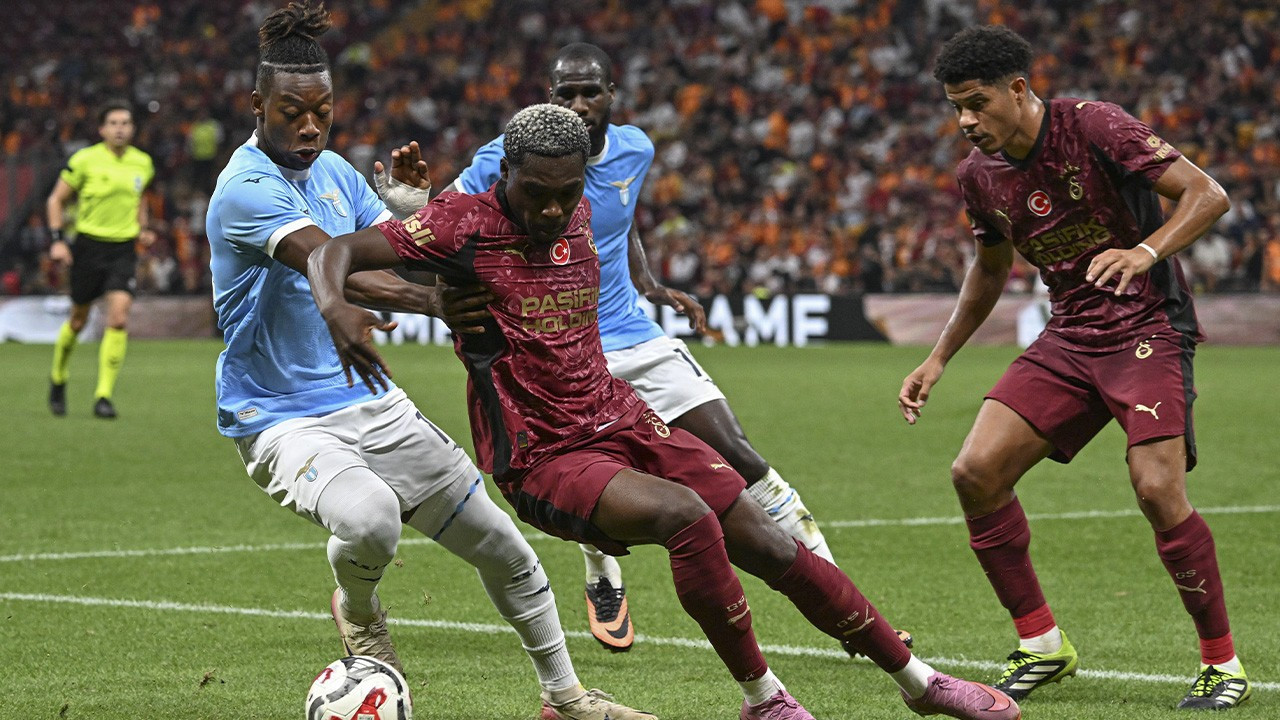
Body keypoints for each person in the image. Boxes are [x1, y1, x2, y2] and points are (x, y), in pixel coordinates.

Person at [309, 101, 1020, 720]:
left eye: (567, 193)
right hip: (543, 454)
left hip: (621, 417)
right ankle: (764, 700)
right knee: (685, 516)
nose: (554, 209)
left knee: (772, 541)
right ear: (506, 175)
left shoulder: (577, 208)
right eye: (537, 194)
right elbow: (333, 254)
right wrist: (342, 306)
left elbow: (602, 231)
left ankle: (919, 682)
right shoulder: (462, 224)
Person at [206, 6, 650, 719]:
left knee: (507, 549)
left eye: (322, 112)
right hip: (279, 415)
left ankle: (566, 699)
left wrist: (421, 209)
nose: (311, 128)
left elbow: (410, 254)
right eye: (292, 113)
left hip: (370, 397)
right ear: (257, 106)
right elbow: (328, 260)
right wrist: (415, 303)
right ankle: (360, 612)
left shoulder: (336, 173)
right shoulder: (244, 189)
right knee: (372, 518)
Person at [442, 41, 883, 655]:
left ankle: (841, 599)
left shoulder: (636, 149)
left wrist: (648, 283)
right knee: (588, 465)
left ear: (611, 95)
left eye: (589, 92)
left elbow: (618, 219)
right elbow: (443, 219)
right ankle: (601, 570)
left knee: (740, 455)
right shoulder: (507, 157)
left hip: (633, 333)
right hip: (553, 345)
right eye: (566, 93)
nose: (578, 104)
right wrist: (434, 279)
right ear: (549, 97)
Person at [899, 25, 1249, 710]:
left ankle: (1222, 663)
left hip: (1148, 327)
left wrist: (1144, 252)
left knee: (1157, 490)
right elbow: (989, 270)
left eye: (976, 103)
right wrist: (938, 357)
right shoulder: (978, 176)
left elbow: (1208, 194)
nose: (966, 121)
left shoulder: (1093, 126)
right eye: (955, 108)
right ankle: (1042, 643)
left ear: (1017, 89)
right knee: (975, 472)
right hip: (1069, 337)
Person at [46, 101, 156, 419]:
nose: (120, 128)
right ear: (102, 129)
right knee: (77, 320)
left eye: (125, 123)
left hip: (123, 249)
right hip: (88, 247)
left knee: (118, 318)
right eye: (114, 123)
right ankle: (58, 377)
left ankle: (103, 395)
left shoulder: (143, 163)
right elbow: (56, 199)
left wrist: (143, 228)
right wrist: (57, 241)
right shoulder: (84, 160)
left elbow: (140, 199)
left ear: (132, 129)